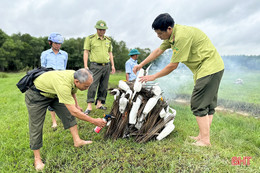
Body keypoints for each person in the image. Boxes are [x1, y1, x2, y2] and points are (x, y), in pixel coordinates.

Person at [133, 13, 224, 147]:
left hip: (209, 68)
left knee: (198, 103)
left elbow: (172, 66)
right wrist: (141, 64)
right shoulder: (172, 36)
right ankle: (202, 136)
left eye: (159, 33)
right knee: (207, 105)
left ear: (169, 29)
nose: (158, 36)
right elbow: (158, 51)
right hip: (209, 69)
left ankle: (205, 140)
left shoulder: (181, 37)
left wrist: (153, 76)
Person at [25, 68, 107, 171]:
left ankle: (77, 141)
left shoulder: (74, 76)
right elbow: (74, 111)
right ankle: (37, 159)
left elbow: (72, 91)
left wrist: (76, 105)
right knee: (36, 125)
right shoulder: (64, 85)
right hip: (37, 95)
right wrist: (94, 121)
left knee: (68, 114)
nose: (87, 88)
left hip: (54, 93)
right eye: (86, 86)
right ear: (77, 81)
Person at [83, 20, 116, 114]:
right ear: (97, 29)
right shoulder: (90, 39)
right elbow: (86, 51)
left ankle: (99, 103)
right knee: (92, 85)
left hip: (106, 66)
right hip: (95, 65)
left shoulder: (108, 40)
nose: (102, 31)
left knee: (104, 86)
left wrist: (113, 65)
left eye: (104, 30)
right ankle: (89, 105)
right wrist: (85, 66)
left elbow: (110, 52)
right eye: (100, 29)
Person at [41, 32, 68, 129]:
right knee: (51, 99)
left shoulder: (64, 54)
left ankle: (66, 119)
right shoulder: (45, 54)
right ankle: (54, 122)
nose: (58, 45)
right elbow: (43, 68)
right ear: (50, 43)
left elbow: (64, 67)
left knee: (63, 99)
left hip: (61, 79)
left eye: (60, 43)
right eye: (56, 43)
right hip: (50, 79)